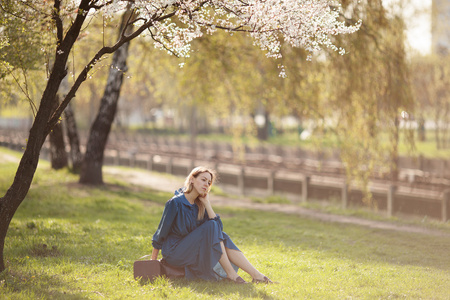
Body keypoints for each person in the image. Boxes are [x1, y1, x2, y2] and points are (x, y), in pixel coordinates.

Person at [151, 166, 273, 284]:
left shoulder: (199, 205)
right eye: (203, 180)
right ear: (192, 179)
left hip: (191, 250)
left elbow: (218, 230)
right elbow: (160, 234)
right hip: (174, 253)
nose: (206, 184)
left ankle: (256, 275)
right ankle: (231, 274)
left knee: (221, 234)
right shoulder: (175, 203)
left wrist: (207, 203)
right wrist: (152, 262)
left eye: (209, 183)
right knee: (211, 226)